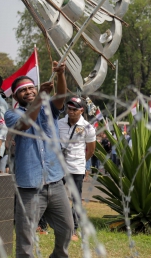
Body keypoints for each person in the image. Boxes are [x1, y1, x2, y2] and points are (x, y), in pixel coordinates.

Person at [4, 62, 73, 258]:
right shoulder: (11, 114)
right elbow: (26, 123)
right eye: (22, 90)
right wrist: (40, 98)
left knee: (67, 228)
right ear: (16, 96)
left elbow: (61, 97)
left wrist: (60, 74)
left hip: (55, 182)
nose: (28, 92)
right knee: (26, 235)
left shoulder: (48, 108)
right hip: (30, 187)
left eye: (31, 88)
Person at [58, 96, 96, 241]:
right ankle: (44, 224)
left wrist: (82, 163)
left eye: (74, 109)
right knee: (51, 195)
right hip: (59, 167)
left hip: (76, 168)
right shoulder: (59, 123)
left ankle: (73, 229)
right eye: (69, 108)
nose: (71, 111)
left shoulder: (88, 127)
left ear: (81, 111)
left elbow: (91, 150)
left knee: (76, 199)